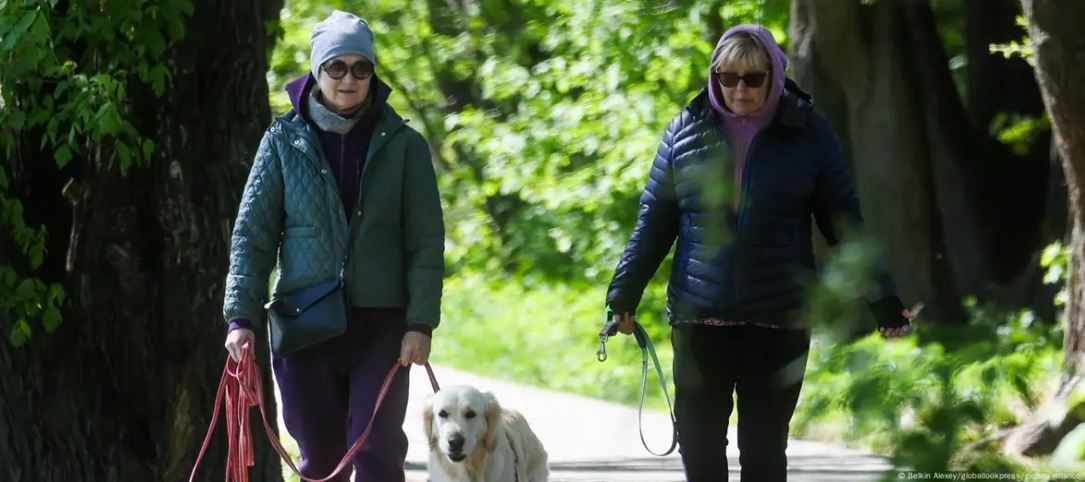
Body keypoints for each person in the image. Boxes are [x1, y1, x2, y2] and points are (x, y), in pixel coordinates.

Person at [604, 25, 916, 482]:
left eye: (753, 78)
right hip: (700, 320)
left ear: (774, 75)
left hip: (779, 321)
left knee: (764, 454)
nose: (740, 89)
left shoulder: (808, 132)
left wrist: (882, 299)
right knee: (699, 447)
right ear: (714, 77)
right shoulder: (685, 130)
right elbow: (654, 223)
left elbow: (844, 223)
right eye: (728, 78)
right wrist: (623, 294)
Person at [220, 10, 444, 482]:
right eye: (336, 67)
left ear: (372, 74)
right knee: (320, 460)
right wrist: (241, 319)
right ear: (317, 72)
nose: (349, 79)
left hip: (382, 327)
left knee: (378, 450)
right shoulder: (281, 141)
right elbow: (252, 237)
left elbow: (425, 243)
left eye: (360, 68)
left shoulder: (406, 146)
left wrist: (420, 322)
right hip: (305, 325)